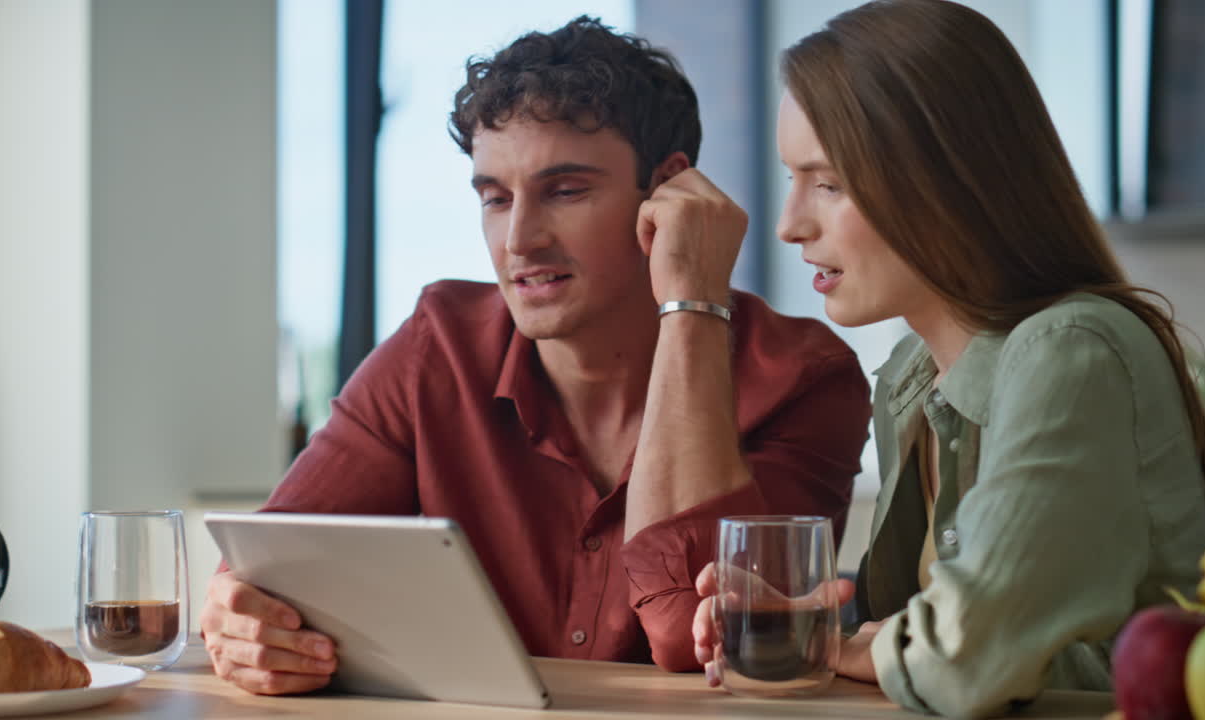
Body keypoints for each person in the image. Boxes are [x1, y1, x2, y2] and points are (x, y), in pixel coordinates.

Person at [198, 16, 872, 696]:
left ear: (670, 192)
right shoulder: (438, 347)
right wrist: (241, 619)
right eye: (495, 199)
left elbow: (694, 634)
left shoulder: (805, 381)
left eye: (565, 191)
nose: (518, 240)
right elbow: (270, 566)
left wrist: (692, 302)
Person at [689, 1, 1205, 717]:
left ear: (940, 177)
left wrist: (835, 648)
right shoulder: (912, 378)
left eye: (829, 183)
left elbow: (964, 658)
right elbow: (937, 629)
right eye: (792, 179)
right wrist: (805, 622)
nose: (790, 224)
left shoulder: (1071, 352)